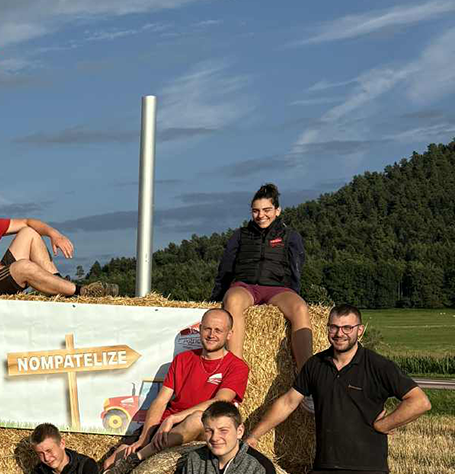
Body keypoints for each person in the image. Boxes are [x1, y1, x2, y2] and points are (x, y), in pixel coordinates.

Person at [244, 305, 430, 474]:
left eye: (347, 328)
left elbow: (419, 402)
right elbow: (288, 402)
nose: (339, 333)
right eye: (334, 327)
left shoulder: (378, 365)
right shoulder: (315, 364)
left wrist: (384, 425)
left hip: (368, 467)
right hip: (325, 465)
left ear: (360, 330)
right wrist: (254, 436)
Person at [104, 309, 249, 473]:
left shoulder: (237, 367)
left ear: (229, 334)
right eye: (207, 328)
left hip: (204, 426)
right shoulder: (183, 359)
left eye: (218, 330)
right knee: (109, 463)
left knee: (196, 419)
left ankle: (138, 458)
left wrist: (174, 418)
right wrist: (144, 438)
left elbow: (219, 402)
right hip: (167, 426)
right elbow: (160, 401)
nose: (211, 334)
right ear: (200, 329)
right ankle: (142, 449)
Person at [0, 184, 116, 298]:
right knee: (23, 266)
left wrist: (54, 234)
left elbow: (27, 221)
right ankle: (80, 292)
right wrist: (14, 271)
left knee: (29, 232)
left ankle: (58, 287)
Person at [211, 183, 312, 375]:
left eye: (267, 210)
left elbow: (296, 267)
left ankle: (307, 376)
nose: (261, 215)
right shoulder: (240, 235)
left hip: (277, 289)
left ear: (277, 210)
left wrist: (295, 292)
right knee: (232, 300)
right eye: (255, 211)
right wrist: (216, 296)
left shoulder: (290, 236)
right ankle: (235, 370)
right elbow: (225, 267)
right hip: (245, 286)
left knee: (300, 308)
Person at [175, 401, 276, 474]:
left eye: (223, 431)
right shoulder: (194, 460)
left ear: (239, 431)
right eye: (209, 431)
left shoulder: (259, 467)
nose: (214, 438)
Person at [29, 423, 100, 474]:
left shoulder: (86, 466)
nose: (46, 458)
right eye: (40, 453)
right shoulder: (38, 471)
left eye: (49, 451)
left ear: (62, 444)